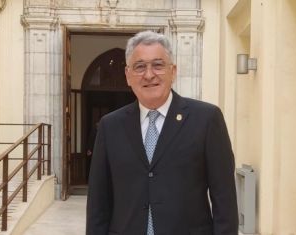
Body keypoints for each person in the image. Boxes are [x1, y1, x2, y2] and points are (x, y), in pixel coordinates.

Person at [86, 31, 238, 235]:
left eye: (158, 65)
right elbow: (98, 202)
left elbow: (224, 199)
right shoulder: (109, 126)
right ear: (128, 75)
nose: (149, 75)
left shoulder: (207, 119)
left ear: (173, 71)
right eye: (139, 67)